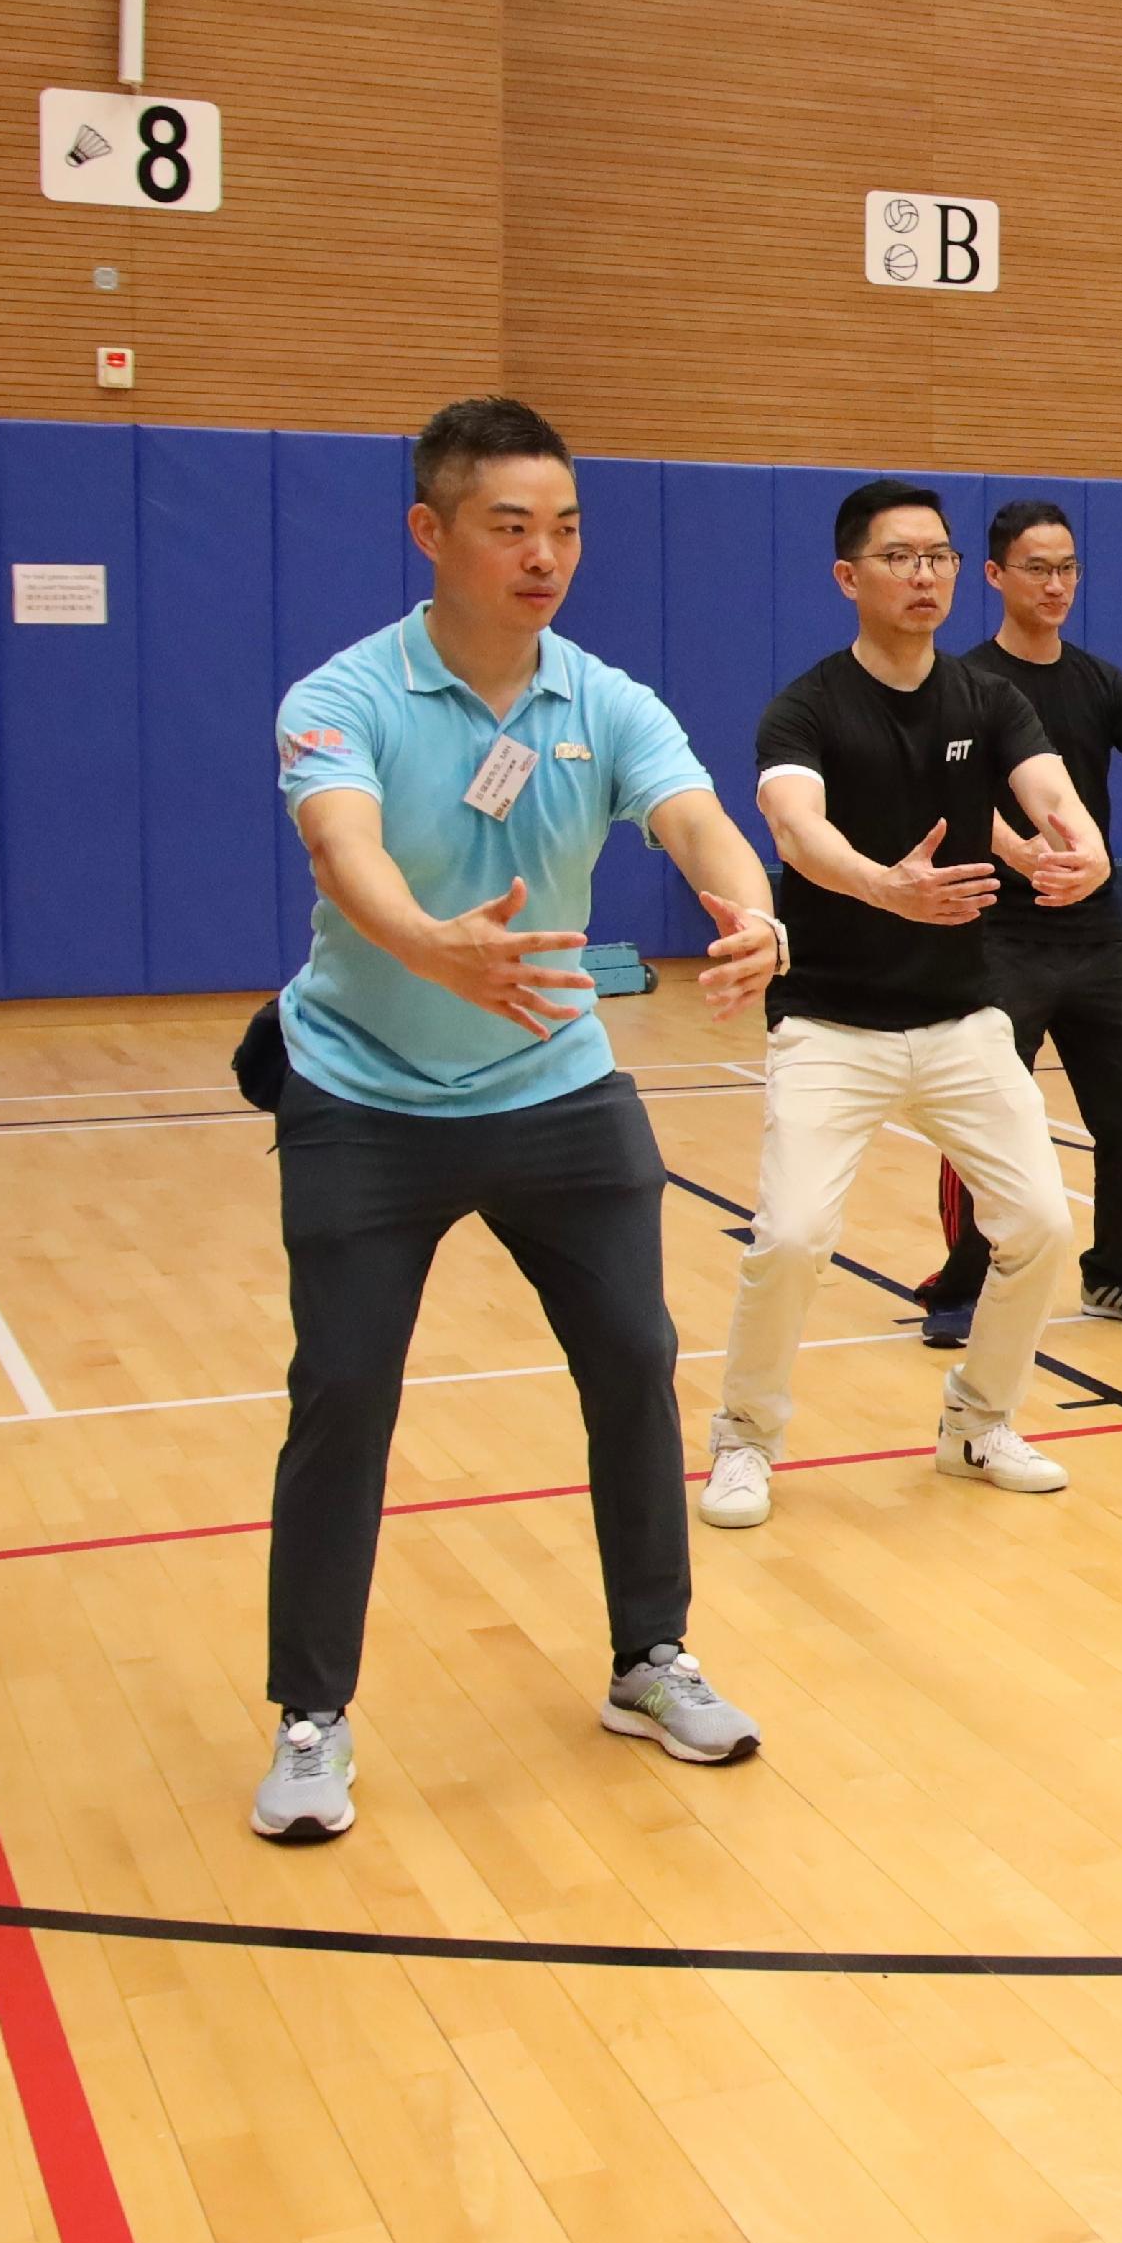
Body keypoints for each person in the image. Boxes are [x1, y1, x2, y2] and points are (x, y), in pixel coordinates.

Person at [253, 396, 781, 1843]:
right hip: (361, 1089)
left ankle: (648, 1657)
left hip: (556, 1088)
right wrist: (429, 941)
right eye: (509, 527)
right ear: (432, 533)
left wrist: (752, 908)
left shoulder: (601, 698)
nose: (544, 555)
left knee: (634, 1359)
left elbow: (690, 815)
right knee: (344, 1396)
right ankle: (311, 1715)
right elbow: (342, 843)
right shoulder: (343, 693)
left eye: (564, 527)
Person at [701, 480, 1111, 1529]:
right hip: (830, 1022)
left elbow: (1050, 791)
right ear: (850, 578)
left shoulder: (986, 699)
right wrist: (881, 885)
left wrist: (1084, 850)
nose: (923, 575)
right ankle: (743, 1440)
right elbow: (795, 829)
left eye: (935, 556)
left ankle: (980, 1422)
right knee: (790, 1239)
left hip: (960, 1017)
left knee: (1042, 1227)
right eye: (898, 558)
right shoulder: (806, 706)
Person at [911, 500, 1122, 1345]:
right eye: (1037, 569)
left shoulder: (1104, 683)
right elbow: (960, 799)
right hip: (996, 935)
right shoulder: (961, 685)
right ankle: (964, 1282)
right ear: (994, 576)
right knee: (981, 1113)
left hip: (1093, 937)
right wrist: (1023, 853)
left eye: (1068, 569)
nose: (1055, 585)